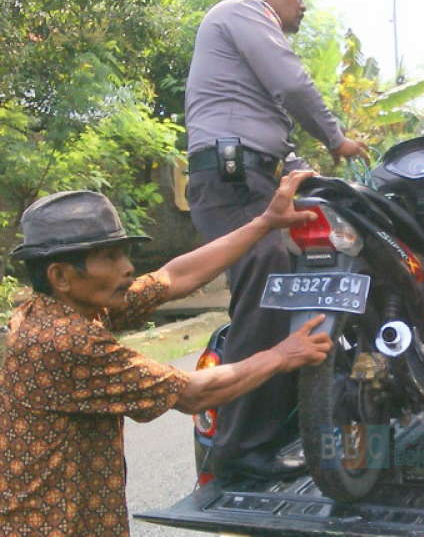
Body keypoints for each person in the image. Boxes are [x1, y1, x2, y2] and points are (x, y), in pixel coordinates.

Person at [0, 171, 332, 537]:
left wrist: (265, 223)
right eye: (109, 258)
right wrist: (283, 355)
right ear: (60, 275)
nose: (127, 267)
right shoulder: (64, 341)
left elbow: (173, 278)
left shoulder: (56, 309)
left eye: (124, 254)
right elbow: (192, 393)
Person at [184, 0, 368, 476]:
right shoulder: (242, 11)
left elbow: (269, 126)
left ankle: (279, 422)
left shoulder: (242, 42)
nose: (302, 6)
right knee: (269, 294)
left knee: (290, 283)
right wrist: (336, 138)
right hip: (233, 178)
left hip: (249, 174)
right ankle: (239, 448)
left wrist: (310, 171)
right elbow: (292, 85)